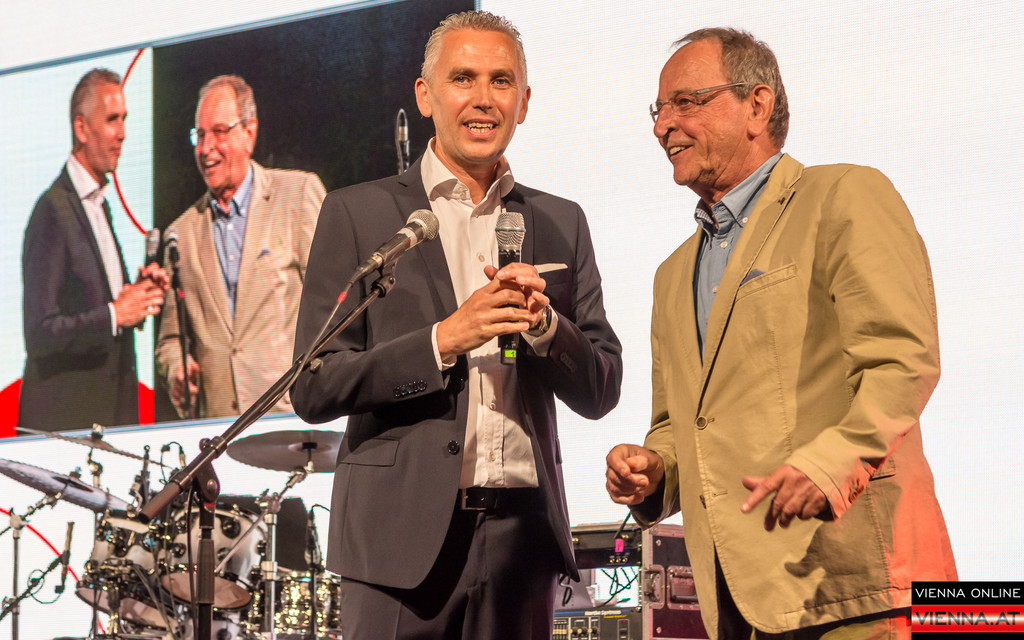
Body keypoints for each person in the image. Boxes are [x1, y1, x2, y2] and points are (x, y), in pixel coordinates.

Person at [605, 28, 957, 639]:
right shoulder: (671, 275)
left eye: (686, 102)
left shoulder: (843, 195)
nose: (663, 125)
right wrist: (654, 469)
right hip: (739, 606)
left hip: (861, 585)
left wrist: (830, 465)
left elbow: (903, 360)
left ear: (757, 105)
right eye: (658, 109)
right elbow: (682, 425)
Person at [291, 11, 622, 640]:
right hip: (395, 544)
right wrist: (442, 341)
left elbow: (602, 387)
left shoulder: (561, 221)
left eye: (501, 81)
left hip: (523, 544)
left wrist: (546, 327)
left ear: (524, 102)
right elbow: (314, 383)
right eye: (463, 78)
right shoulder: (358, 213)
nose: (482, 98)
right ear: (426, 96)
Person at [156, 75, 326, 419]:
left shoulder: (297, 195)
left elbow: (337, 304)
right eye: (200, 135)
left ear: (250, 132)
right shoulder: (180, 233)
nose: (206, 148)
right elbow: (170, 341)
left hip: (292, 416)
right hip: (219, 429)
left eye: (219, 132)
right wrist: (177, 369)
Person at [21, 68, 168, 432]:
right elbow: (40, 333)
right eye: (112, 119)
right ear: (82, 128)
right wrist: (116, 314)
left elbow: (92, 302)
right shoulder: (52, 210)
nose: (123, 132)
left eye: (125, 119)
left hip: (107, 425)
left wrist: (137, 296)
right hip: (68, 430)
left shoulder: (98, 205)